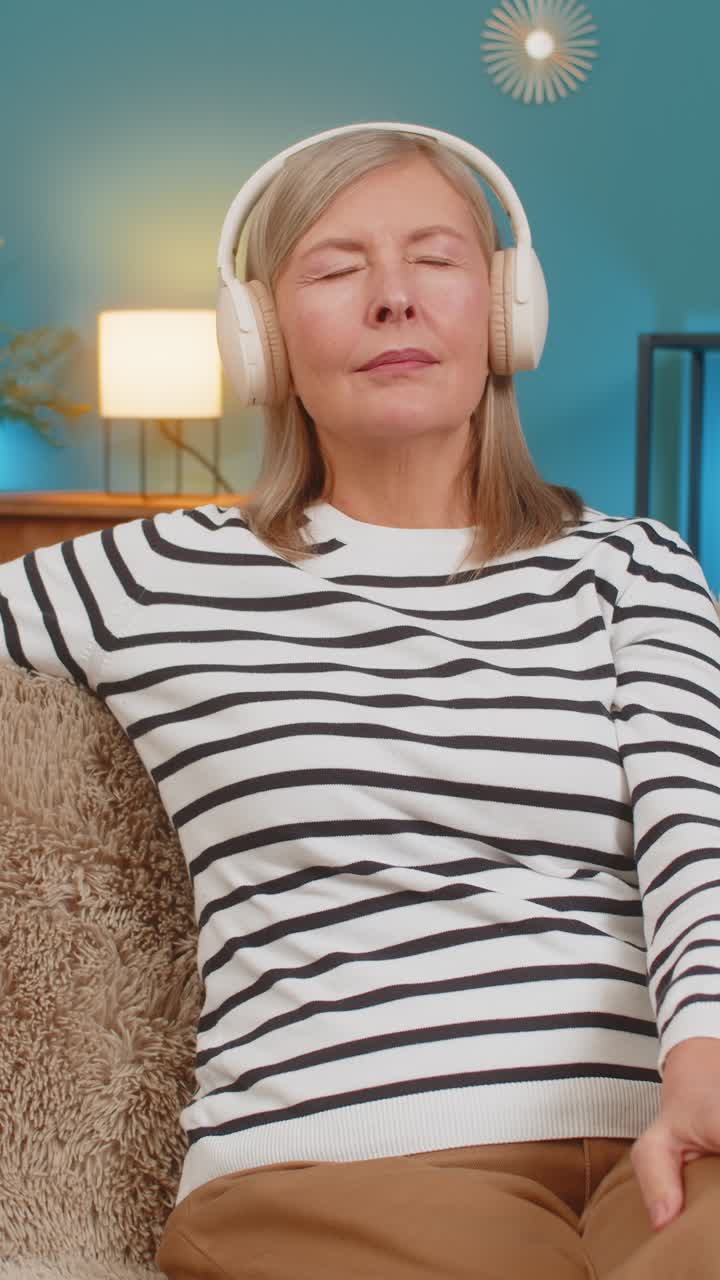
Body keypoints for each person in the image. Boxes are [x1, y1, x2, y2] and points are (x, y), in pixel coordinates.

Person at [2, 125, 720, 1279]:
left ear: (504, 310)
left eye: (435, 259)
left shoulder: (635, 565)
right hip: (327, 1166)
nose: (392, 299)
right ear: (263, 337)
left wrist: (705, 1051)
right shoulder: (152, 572)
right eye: (335, 269)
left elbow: (699, 824)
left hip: (661, 1145)